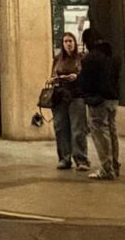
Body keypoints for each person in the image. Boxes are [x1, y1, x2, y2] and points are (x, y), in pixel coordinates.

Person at [77, 29, 119, 180]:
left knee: (100, 134)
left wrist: (83, 91)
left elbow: (85, 81)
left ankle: (106, 168)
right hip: (112, 99)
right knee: (112, 132)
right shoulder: (113, 55)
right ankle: (114, 164)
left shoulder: (90, 59)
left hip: (97, 101)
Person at [46, 30, 90, 172]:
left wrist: (76, 77)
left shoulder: (81, 58)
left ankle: (81, 158)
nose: (68, 44)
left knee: (77, 129)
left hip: (76, 95)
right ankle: (64, 158)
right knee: (61, 128)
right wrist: (53, 80)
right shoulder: (58, 59)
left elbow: (85, 76)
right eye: (66, 42)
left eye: (70, 41)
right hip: (60, 97)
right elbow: (53, 74)